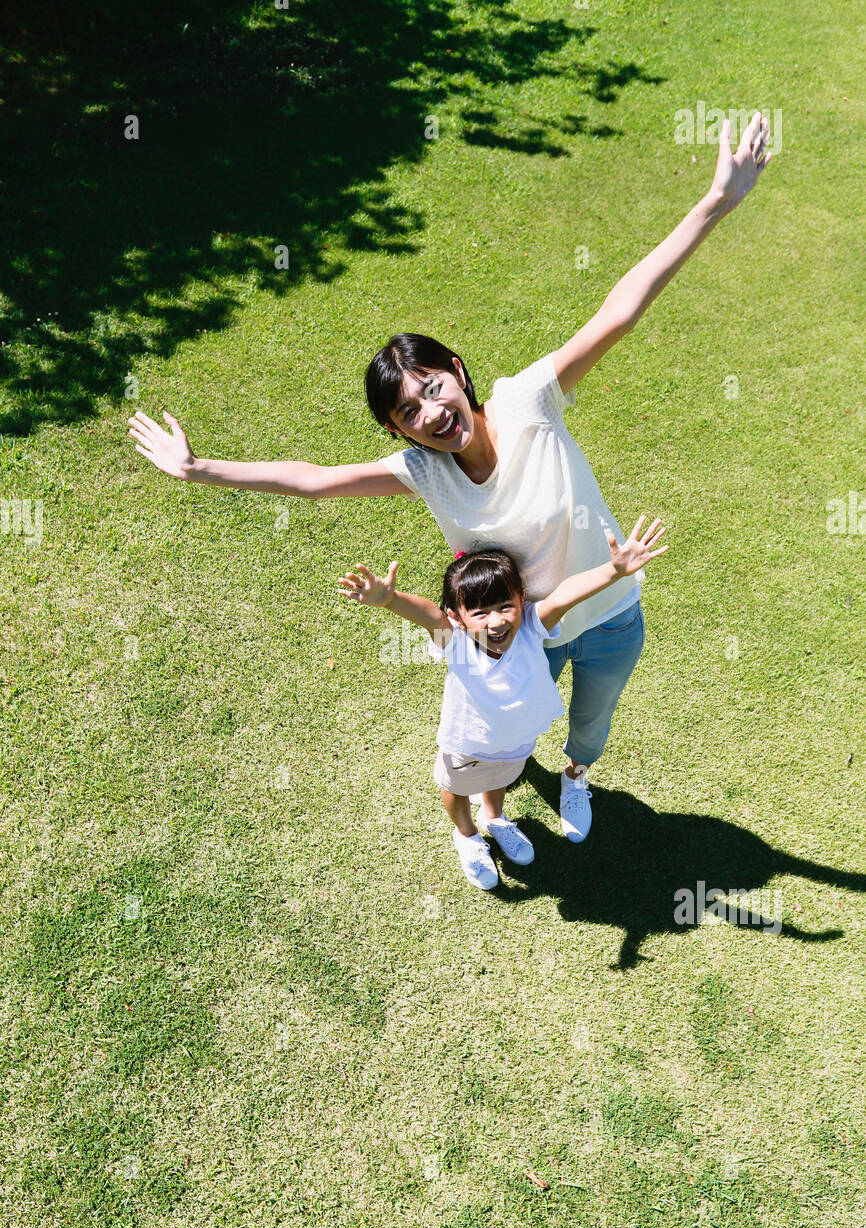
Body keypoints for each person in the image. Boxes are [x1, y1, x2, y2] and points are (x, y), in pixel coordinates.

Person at [127, 114, 772, 843]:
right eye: (409, 410)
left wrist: (715, 202)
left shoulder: (530, 402)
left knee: (592, 720)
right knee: (517, 718)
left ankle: (578, 778)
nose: (432, 412)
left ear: (459, 374)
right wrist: (197, 467)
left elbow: (617, 313)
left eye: (434, 387)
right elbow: (311, 480)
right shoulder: (422, 472)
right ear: (397, 431)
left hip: (614, 608)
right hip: (532, 631)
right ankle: (502, 790)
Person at [338, 516, 668, 889]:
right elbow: (428, 613)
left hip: (516, 743)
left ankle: (495, 818)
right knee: (457, 792)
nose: (495, 621)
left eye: (504, 606)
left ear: (522, 600)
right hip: (467, 746)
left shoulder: (530, 625)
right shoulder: (456, 645)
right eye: (479, 612)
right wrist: (390, 600)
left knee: (501, 781)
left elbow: (563, 595)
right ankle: (466, 834)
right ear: (457, 619)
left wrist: (614, 570)